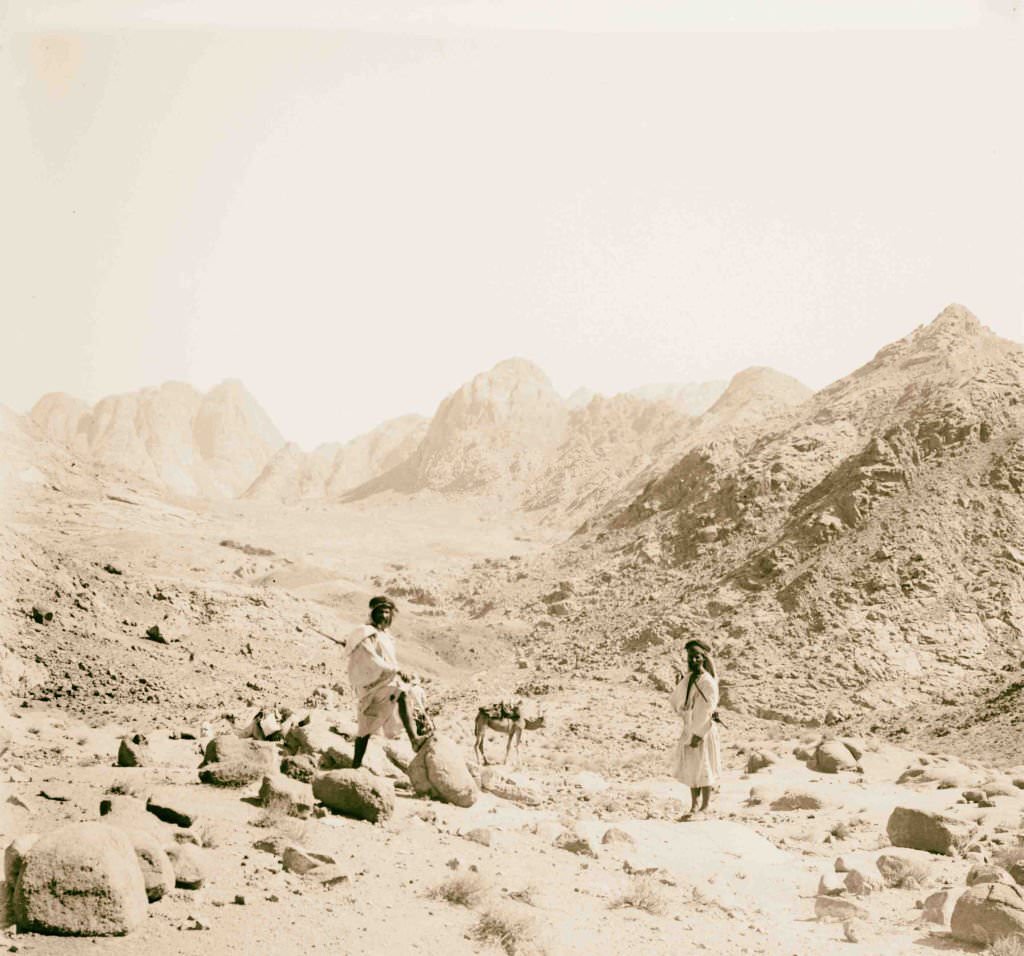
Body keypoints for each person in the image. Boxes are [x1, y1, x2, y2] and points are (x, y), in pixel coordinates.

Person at [325, 595, 430, 768]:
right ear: (373, 613)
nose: (384, 615)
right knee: (365, 728)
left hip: (385, 682)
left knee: (402, 694)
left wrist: (395, 671)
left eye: (387, 612)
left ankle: (414, 739)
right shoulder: (365, 632)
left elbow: (385, 657)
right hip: (371, 685)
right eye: (380, 611)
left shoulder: (385, 635)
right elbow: (371, 659)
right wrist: (396, 670)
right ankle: (356, 764)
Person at [669, 638, 721, 818]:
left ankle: (705, 807)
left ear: (703, 658)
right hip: (690, 728)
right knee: (693, 767)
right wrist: (683, 710)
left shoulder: (708, 682)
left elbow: (707, 710)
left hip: (703, 731)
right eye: (691, 657)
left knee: (704, 766)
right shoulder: (690, 678)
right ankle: (694, 806)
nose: (694, 660)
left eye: (697, 657)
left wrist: (698, 734)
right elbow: (677, 699)